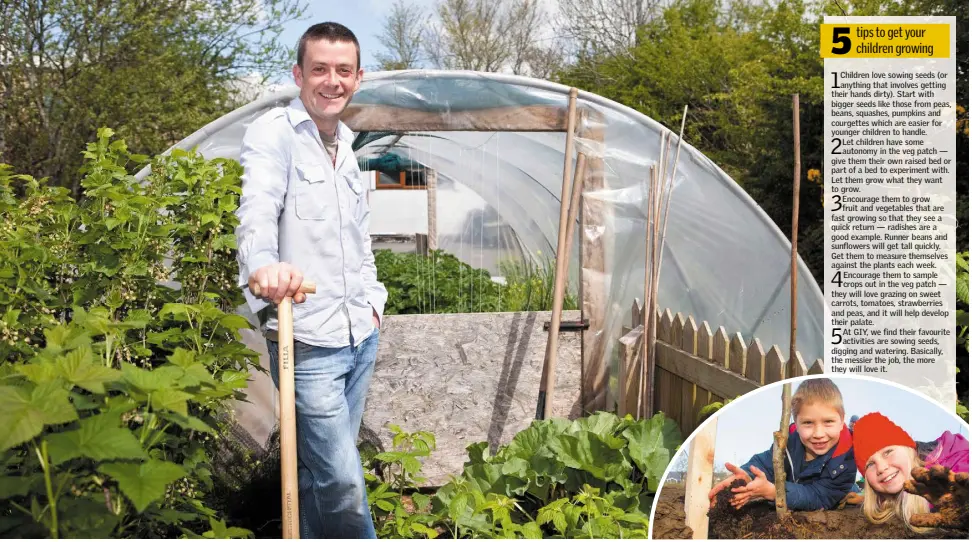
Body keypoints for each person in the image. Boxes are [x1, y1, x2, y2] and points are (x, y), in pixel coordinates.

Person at [234, 22, 387, 539]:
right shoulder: (275, 133)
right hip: (308, 340)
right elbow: (257, 208)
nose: (331, 81)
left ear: (358, 77)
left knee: (317, 475)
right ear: (299, 74)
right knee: (342, 480)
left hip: (358, 336)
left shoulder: (347, 145)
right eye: (319, 69)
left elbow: (360, 240)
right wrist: (263, 265)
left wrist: (373, 306)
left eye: (343, 70)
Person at [707, 378, 856, 511]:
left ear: (842, 420)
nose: (818, 433)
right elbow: (765, 463)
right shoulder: (789, 441)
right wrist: (747, 476)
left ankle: (851, 495)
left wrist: (775, 492)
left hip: (823, 506)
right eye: (808, 423)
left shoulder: (845, 463)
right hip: (788, 497)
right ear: (796, 423)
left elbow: (818, 497)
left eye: (828, 422)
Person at [852, 412, 969, 532]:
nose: (881, 468)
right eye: (870, 464)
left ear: (909, 450)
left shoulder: (957, 463)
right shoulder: (883, 497)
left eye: (888, 452)